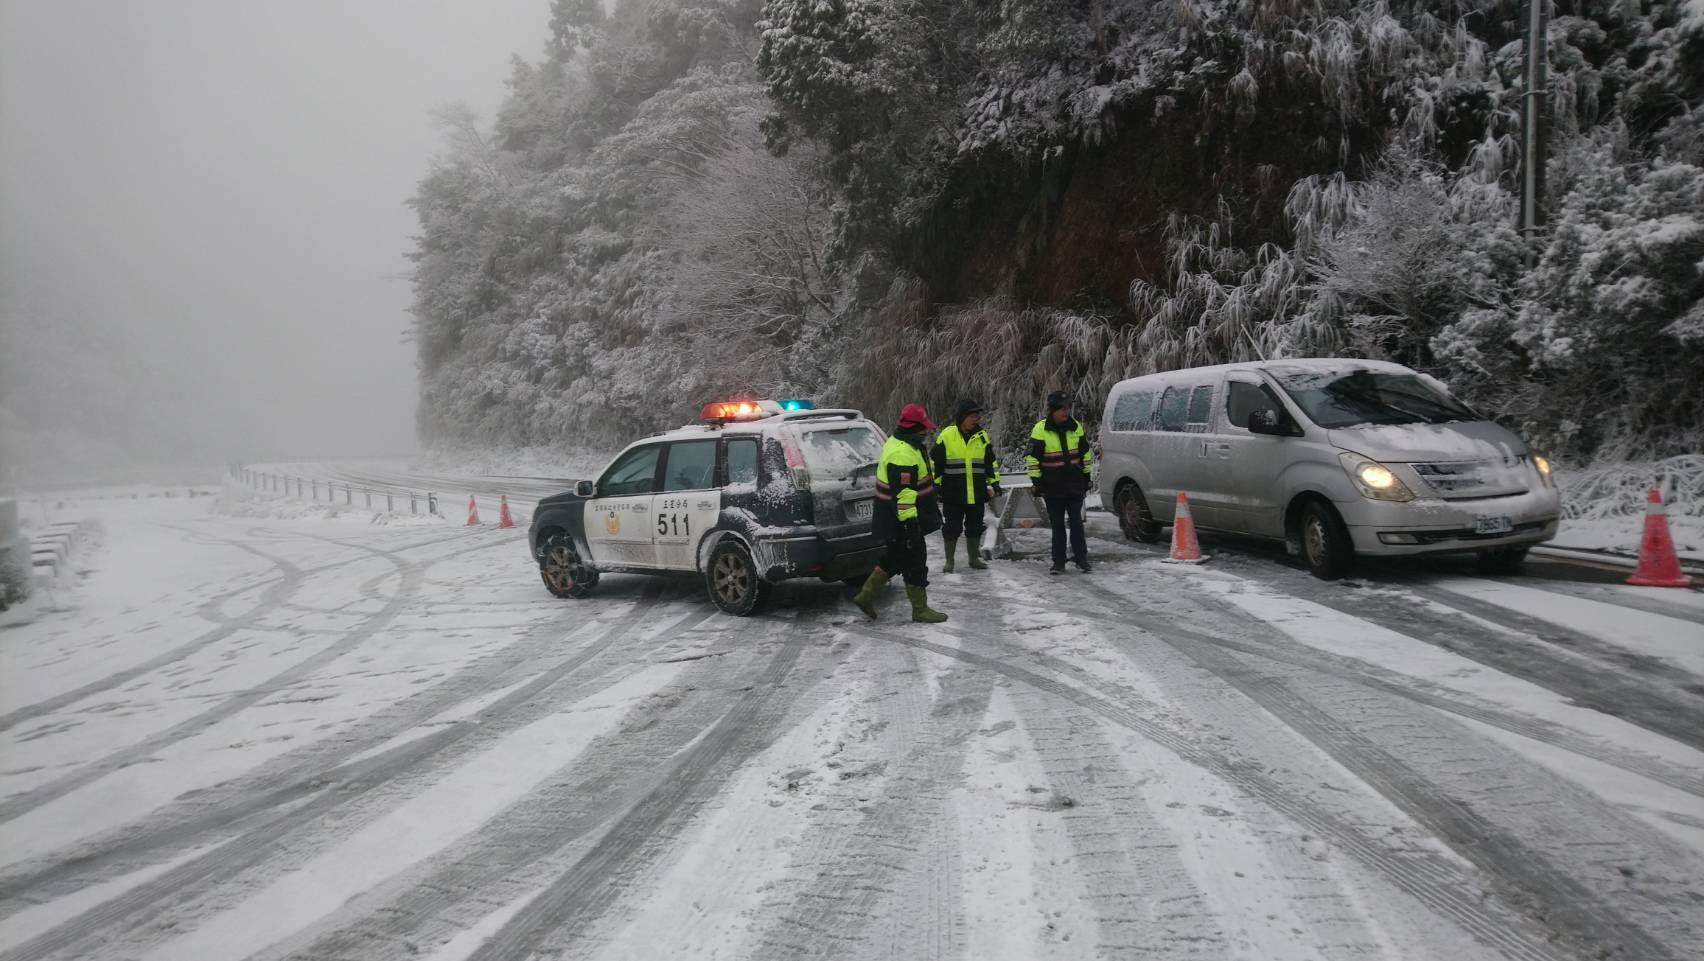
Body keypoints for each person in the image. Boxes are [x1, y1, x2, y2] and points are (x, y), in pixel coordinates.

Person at [853, 403, 947, 623]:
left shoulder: (906, 444)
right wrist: (910, 525)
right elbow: (904, 494)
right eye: (923, 428)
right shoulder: (902, 453)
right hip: (901, 519)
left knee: (895, 557)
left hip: (894, 518)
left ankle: (865, 595)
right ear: (913, 428)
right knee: (915, 559)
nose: (927, 431)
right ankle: (920, 609)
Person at [1027, 390, 1093, 574]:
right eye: (1062, 409)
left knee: (1077, 524)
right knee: (1057, 526)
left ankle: (1081, 559)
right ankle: (1059, 561)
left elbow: (1085, 454)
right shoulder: (1040, 429)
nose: (1066, 412)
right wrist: (1037, 482)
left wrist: (1087, 477)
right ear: (1052, 410)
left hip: (1074, 484)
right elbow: (1033, 459)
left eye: (1068, 408)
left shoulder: (1076, 427)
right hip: (1053, 487)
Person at [932, 399, 1000, 573]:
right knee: (952, 527)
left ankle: (973, 559)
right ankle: (949, 561)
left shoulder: (981, 436)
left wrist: (995, 482)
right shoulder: (947, 436)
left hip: (976, 492)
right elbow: (936, 463)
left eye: (977, 415)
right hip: (953, 493)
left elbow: (990, 463)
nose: (975, 418)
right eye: (972, 415)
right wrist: (936, 484)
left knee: (975, 526)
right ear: (962, 416)